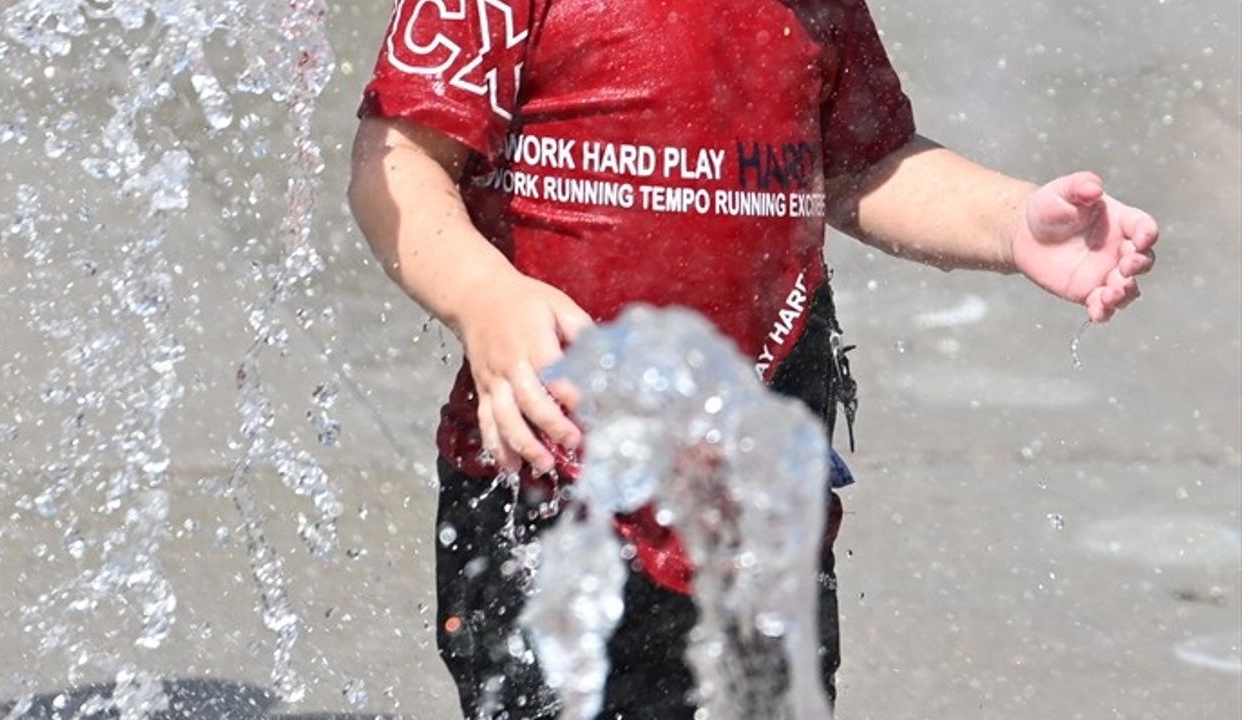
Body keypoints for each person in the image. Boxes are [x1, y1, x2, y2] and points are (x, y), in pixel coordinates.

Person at [347, 1, 1159, 718]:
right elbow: (400, 163)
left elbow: (865, 163)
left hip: (758, 487)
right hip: (546, 481)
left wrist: (1013, 222)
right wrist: (484, 298)